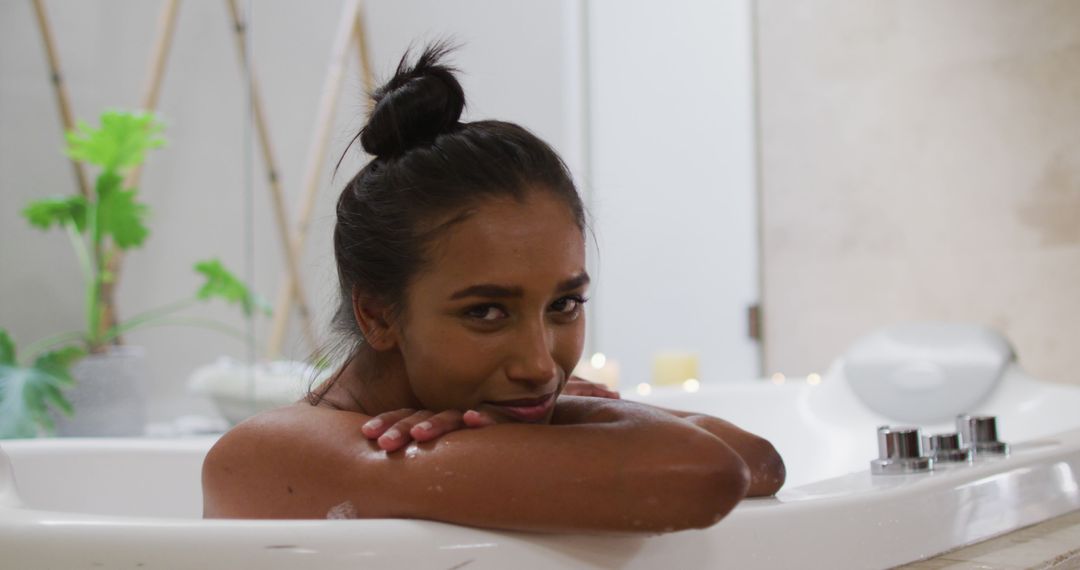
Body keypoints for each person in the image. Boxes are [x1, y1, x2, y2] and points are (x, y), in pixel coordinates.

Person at [202, 42, 784, 532]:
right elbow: (709, 474)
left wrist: (568, 413)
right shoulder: (272, 453)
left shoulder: (479, 417)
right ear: (378, 314)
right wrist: (576, 417)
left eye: (564, 304)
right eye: (486, 312)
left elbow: (759, 460)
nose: (538, 365)